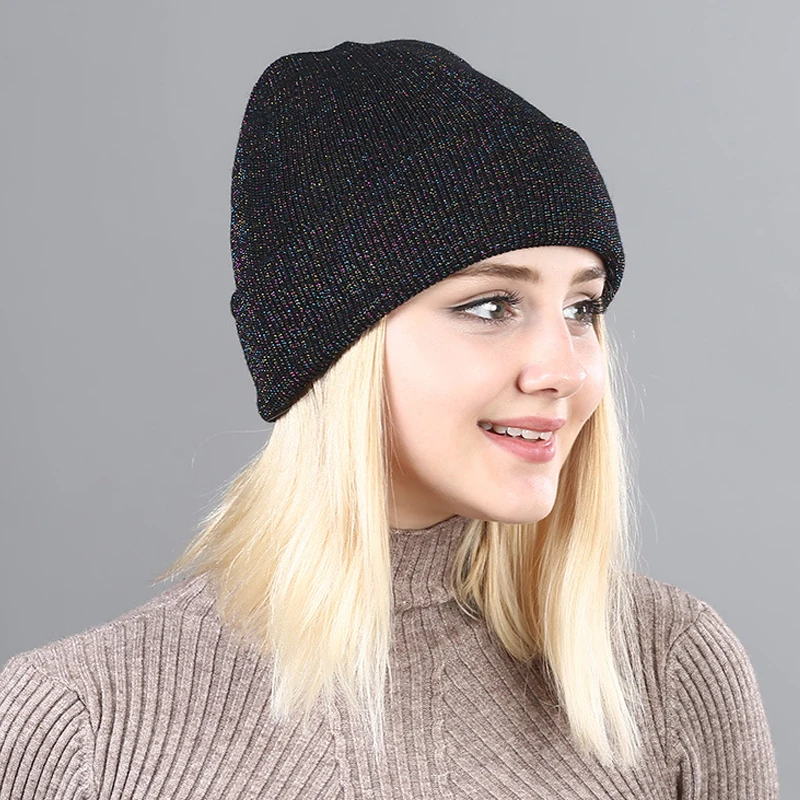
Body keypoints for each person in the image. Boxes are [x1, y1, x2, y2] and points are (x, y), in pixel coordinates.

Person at [0, 38, 779, 799]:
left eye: (583, 307)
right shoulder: (80, 723)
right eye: (491, 305)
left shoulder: (669, 668)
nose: (565, 369)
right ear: (333, 346)